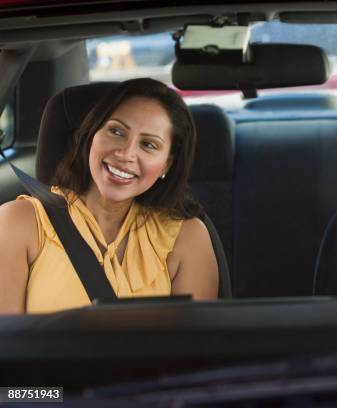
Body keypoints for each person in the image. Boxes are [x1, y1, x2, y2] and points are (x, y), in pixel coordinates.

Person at [0, 78, 218, 314]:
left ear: (167, 165)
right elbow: (7, 344)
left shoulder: (187, 238)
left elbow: (196, 347)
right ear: (92, 133)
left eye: (149, 145)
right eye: (116, 131)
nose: (126, 154)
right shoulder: (17, 223)